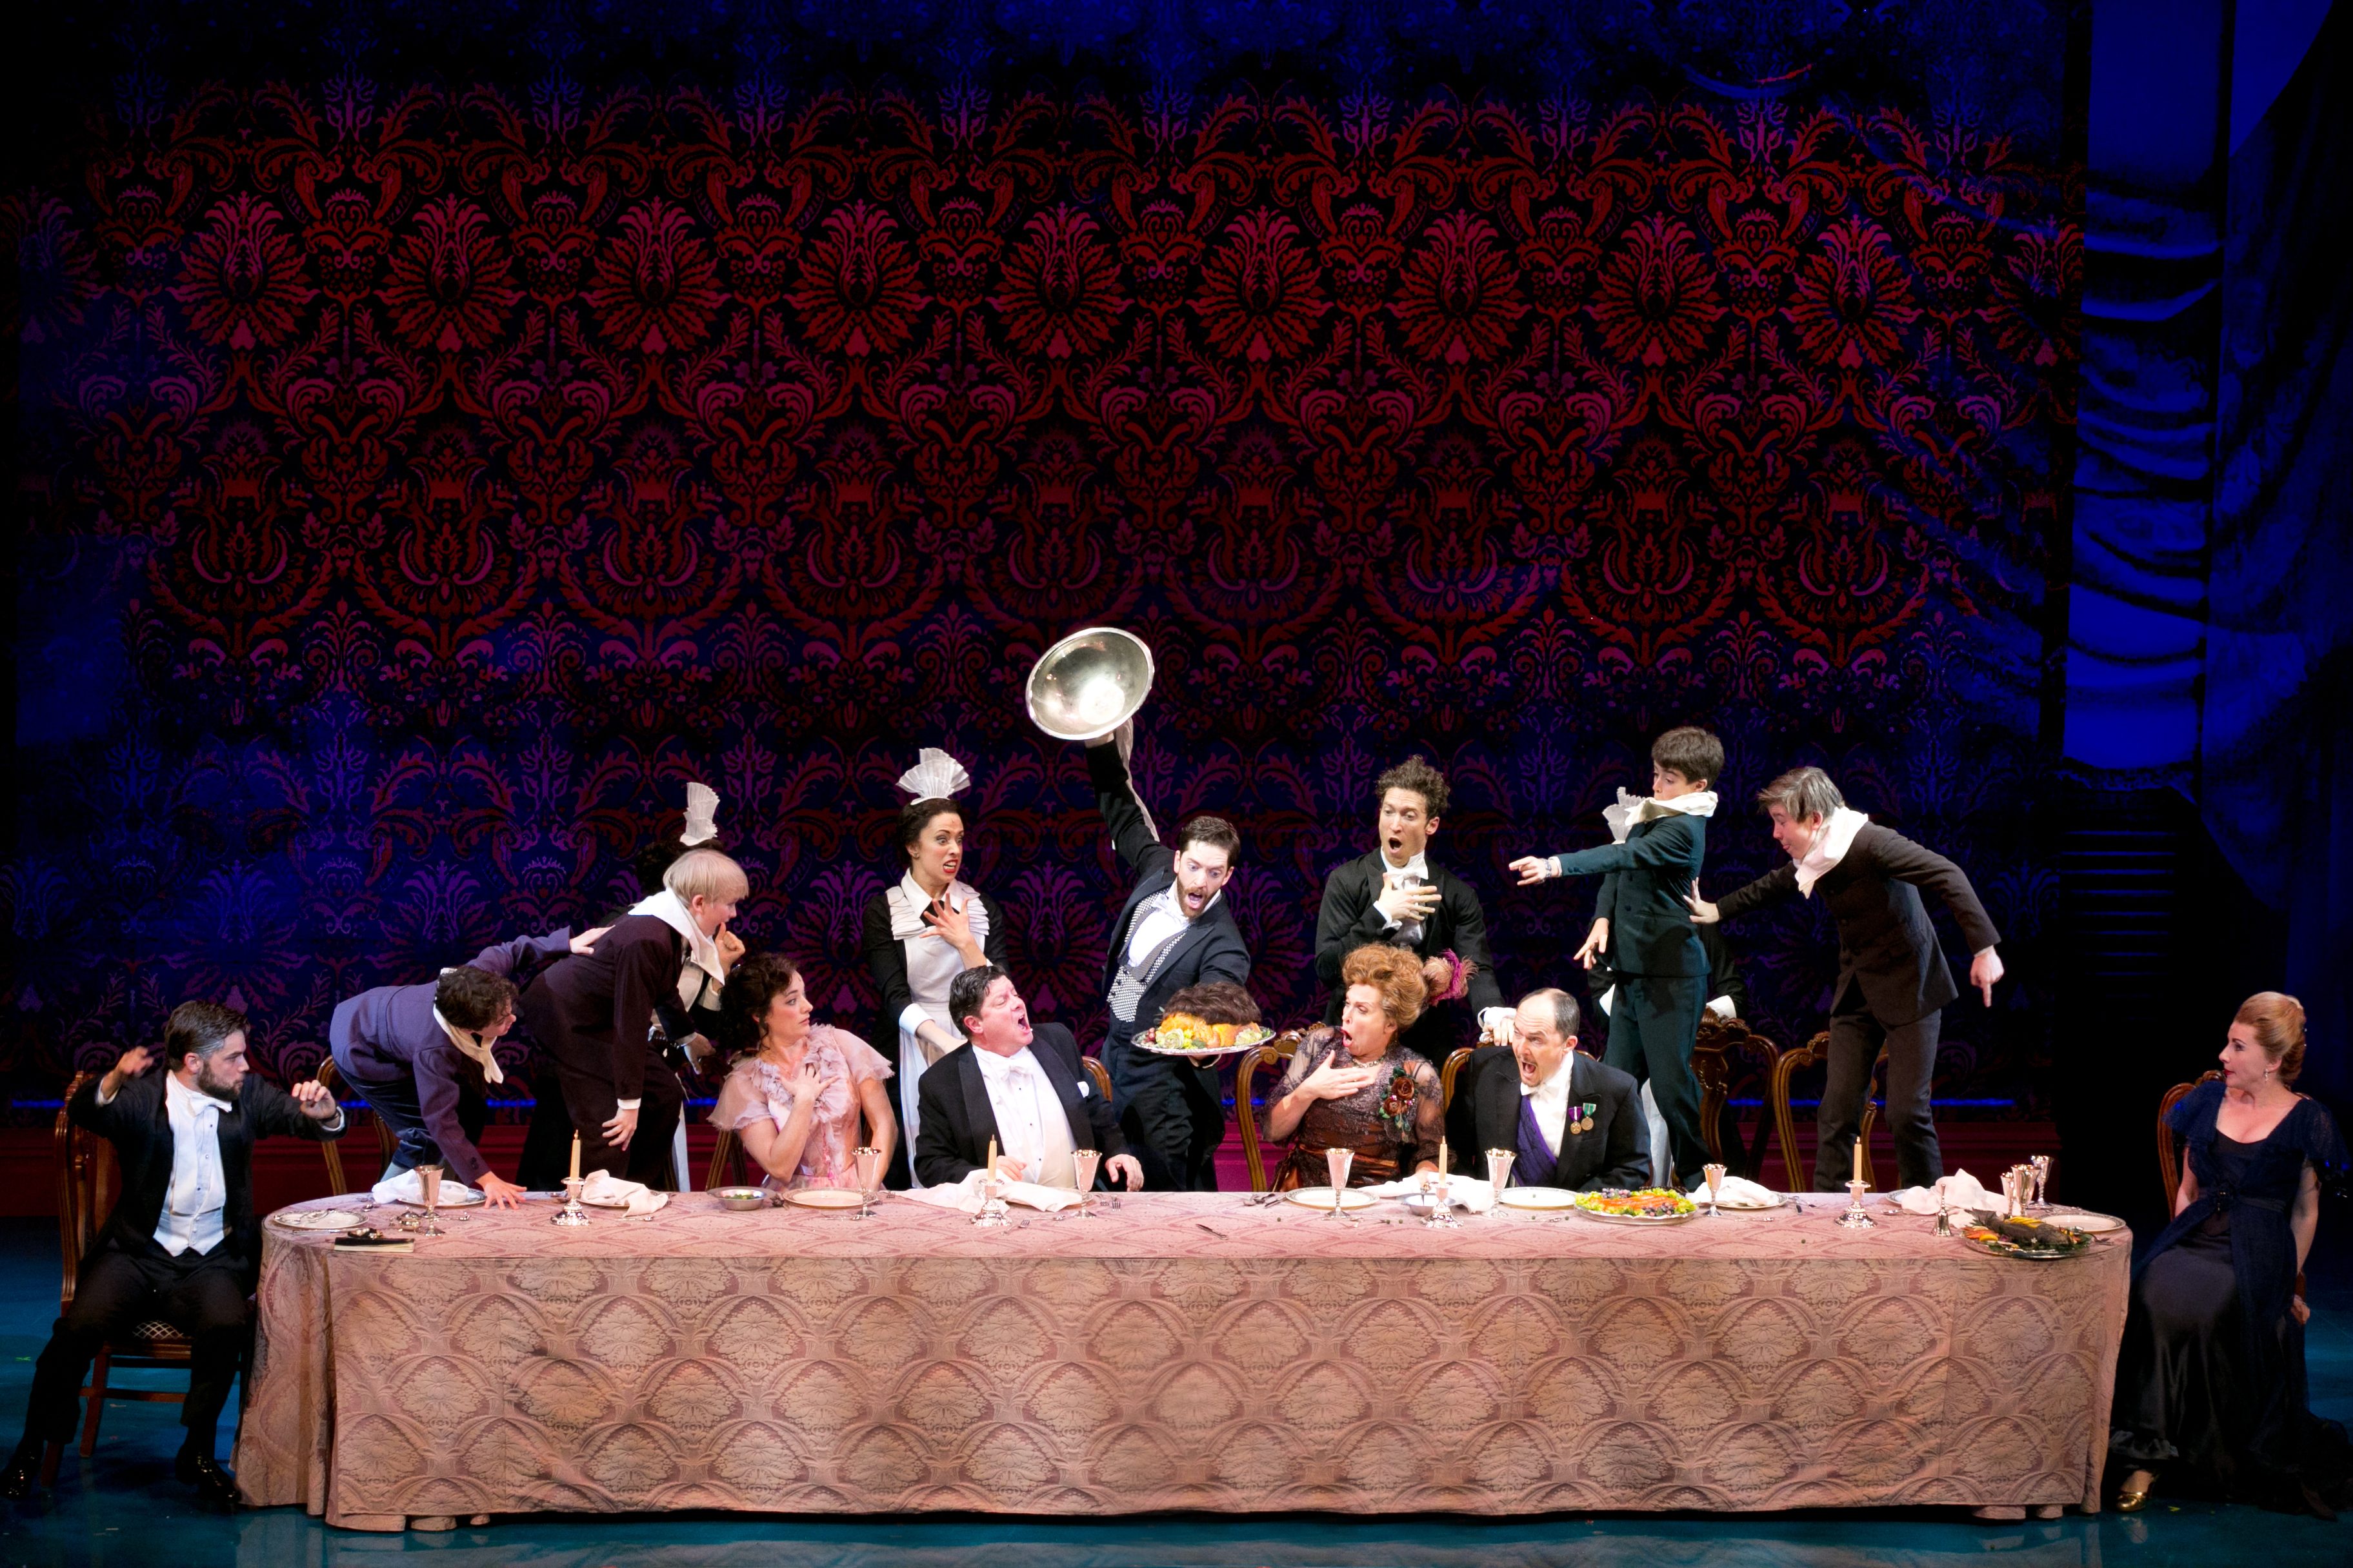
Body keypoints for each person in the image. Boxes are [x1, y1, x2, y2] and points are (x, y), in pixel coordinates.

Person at [1, 1002, 346, 1507]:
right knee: (76, 1331)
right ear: (193, 1062)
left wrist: (326, 1114)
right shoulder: (142, 1097)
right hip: (137, 1253)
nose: (246, 1065)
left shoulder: (247, 1093)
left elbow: (302, 1119)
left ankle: (197, 1452)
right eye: (233, 1058)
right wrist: (112, 1079)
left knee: (227, 1325)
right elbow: (86, 1111)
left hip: (211, 1259)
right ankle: (32, 1447)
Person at [1685, 766, 2002, 1191]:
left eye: (1782, 821)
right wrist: (1717, 909)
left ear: (1815, 819)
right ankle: (1827, 1207)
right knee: (1836, 1111)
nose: (1776, 833)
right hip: (1858, 988)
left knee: (1907, 1113)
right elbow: (1776, 883)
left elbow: (1947, 875)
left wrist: (1984, 949)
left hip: (1911, 984)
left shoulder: (1872, 843)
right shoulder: (1817, 856)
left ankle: (1929, 1207)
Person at [2111, 993, 2352, 1518]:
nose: (2223, 1054)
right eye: (2227, 1041)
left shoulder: (2307, 1118)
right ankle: (2143, 1451)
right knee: (2151, 1289)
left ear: (2271, 1060)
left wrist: (2288, 1281)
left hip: (2258, 1249)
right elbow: (2187, 1188)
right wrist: (2179, 1243)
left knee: (2206, 1306)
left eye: (2237, 1046)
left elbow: (2305, 1211)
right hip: (2197, 1235)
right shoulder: (2206, 1101)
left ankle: (2187, 1452)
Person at [1510, 725, 1723, 1187]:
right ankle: (1608, 1178)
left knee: (1670, 1088)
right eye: (1656, 774)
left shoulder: (1684, 829)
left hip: (1670, 978)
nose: (1656, 785)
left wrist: (1553, 865)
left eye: (1668, 779)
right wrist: (1603, 917)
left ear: (1698, 786)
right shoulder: (1656, 812)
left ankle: (1697, 1178)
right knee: (1612, 1081)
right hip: (1631, 975)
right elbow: (1620, 865)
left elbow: (1622, 856)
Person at [519, 781, 730, 1190]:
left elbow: (666, 992)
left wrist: (688, 1035)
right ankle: (601, 1199)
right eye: (724, 897)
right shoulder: (643, 929)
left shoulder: (684, 934)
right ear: (695, 895)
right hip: (579, 1023)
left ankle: (633, 1189)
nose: (732, 911)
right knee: (609, 1119)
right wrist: (629, 1102)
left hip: (621, 1036)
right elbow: (629, 1019)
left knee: (664, 1096)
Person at [1083, 721, 1251, 1191]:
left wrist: (1203, 1049)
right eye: (1193, 867)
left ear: (1227, 876)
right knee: (1109, 1182)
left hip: (1165, 1087)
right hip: (1113, 1054)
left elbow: (1218, 1004)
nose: (1199, 882)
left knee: (1161, 1195)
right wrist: (1098, 743)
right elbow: (1123, 814)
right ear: (1177, 860)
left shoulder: (1224, 943)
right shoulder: (1157, 870)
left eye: (1213, 872)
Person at [329, 927, 601, 1207]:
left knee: (471, 1107)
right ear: (469, 1028)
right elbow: (439, 1119)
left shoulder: (477, 978)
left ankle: (445, 1189)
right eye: (501, 1021)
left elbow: (508, 951)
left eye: (508, 1009)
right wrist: (487, 1179)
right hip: (361, 1051)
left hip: (377, 1014)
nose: (512, 1019)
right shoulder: (435, 1050)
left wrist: (565, 943)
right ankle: (382, 1203)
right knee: (424, 1134)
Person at [859, 749, 1010, 1188]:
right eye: (941, 839)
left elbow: (1001, 991)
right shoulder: (885, 910)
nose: (954, 850)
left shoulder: (980, 907)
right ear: (913, 846)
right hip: (911, 1039)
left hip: (977, 1035)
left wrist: (966, 943)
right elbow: (894, 997)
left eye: (959, 839)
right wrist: (945, 1042)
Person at [1314, 755, 1503, 1063]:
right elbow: (1326, 969)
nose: (1395, 824)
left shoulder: (1457, 894)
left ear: (1432, 825)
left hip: (1425, 1040)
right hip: (1353, 1036)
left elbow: (1477, 967)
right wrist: (1381, 914)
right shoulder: (1345, 881)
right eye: (1388, 812)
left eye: (1409, 815)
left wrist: (1492, 1012)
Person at [912, 966, 1143, 1191]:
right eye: (1002, 1001)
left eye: (1015, 994)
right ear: (975, 1024)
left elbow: (1095, 1110)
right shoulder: (942, 1082)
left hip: (1076, 1197)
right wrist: (982, 1174)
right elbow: (931, 1164)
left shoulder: (1058, 1040)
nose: (1017, 1003)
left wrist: (1117, 1151)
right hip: (999, 1207)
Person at [708, 953, 897, 1191]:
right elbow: (780, 1168)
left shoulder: (842, 1045)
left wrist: (868, 1188)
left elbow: (885, 1124)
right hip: (791, 1200)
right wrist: (804, 1100)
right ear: (760, 1015)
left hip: (858, 1191)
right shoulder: (746, 1083)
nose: (808, 1007)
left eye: (804, 995)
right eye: (791, 1001)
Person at [1261, 945, 1443, 1189]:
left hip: (1377, 1199)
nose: (1346, 1015)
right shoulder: (1319, 1044)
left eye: (1362, 1009)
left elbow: (1433, 1153)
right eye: (1348, 1003)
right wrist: (1308, 1091)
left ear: (1391, 1024)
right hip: (1304, 1192)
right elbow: (1272, 1131)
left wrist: (1423, 1177)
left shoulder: (1417, 1073)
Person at [1445, 989, 1650, 1192]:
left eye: (1536, 1040)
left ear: (1568, 1044)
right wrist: (1476, 1197)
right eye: (1518, 1033)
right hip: (1494, 1209)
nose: (1521, 1049)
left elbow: (1631, 1168)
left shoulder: (1614, 1089)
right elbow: (1453, 1152)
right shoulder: (1484, 1072)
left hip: (1576, 1211)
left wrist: (1579, 1203)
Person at [1588, 924, 1745, 1186]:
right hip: (1630, 1066)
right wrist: (1639, 967)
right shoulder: (1607, 929)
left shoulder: (1697, 924)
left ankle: (1699, 1184)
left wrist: (1684, 1013)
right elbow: (1603, 1014)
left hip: (1689, 1064)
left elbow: (1736, 997)